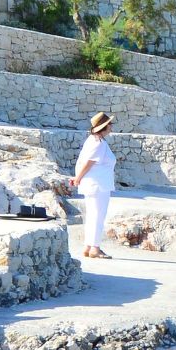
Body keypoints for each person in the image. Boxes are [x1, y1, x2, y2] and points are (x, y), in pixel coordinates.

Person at [72, 111, 116, 260]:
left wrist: (78, 178)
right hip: (99, 184)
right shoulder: (98, 143)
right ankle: (95, 248)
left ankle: (88, 246)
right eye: (110, 124)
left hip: (93, 184)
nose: (111, 127)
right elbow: (89, 162)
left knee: (92, 215)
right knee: (98, 216)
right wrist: (78, 178)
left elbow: (84, 161)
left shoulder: (93, 140)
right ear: (104, 126)